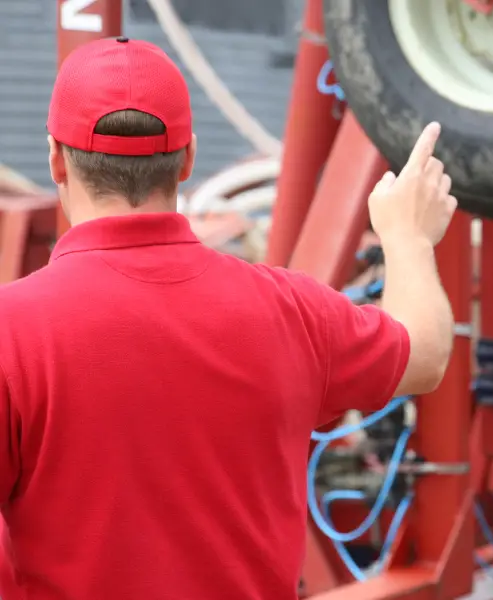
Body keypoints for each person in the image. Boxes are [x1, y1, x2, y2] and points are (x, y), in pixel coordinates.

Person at [0, 38, 456, 599]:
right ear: (188, 158)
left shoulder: (10, 334)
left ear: (54, 159)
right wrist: (408, 237)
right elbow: (425, 354)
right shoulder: (289, 311)